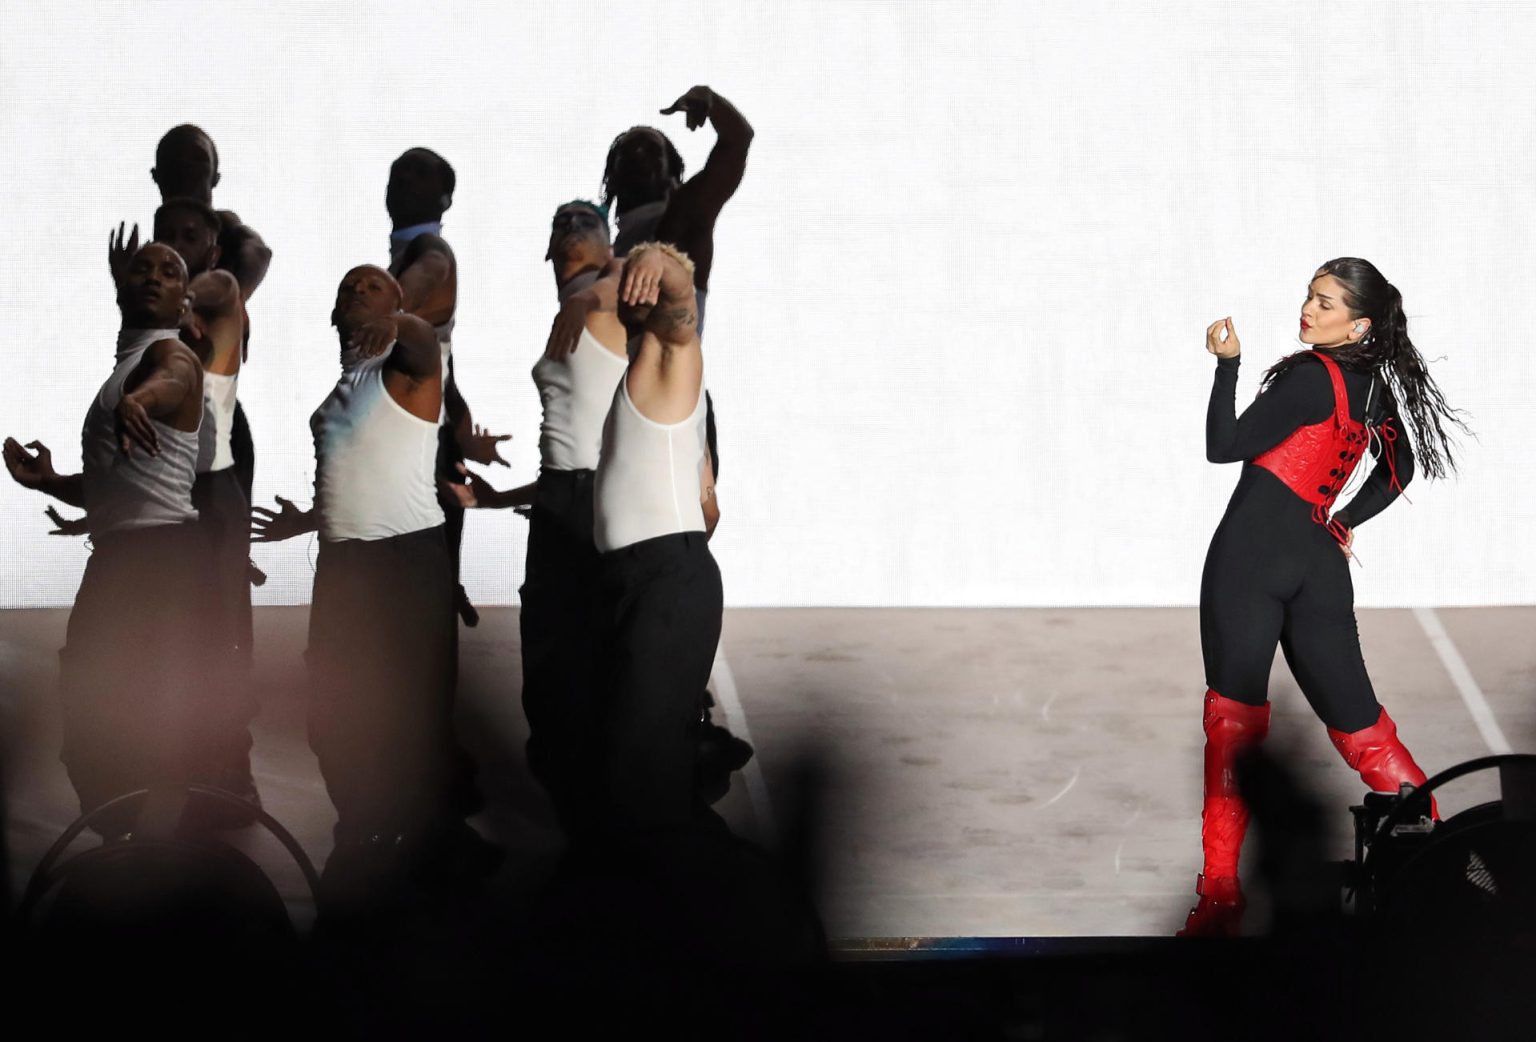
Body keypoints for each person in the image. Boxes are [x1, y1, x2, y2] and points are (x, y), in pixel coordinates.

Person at [1182, 257, 1468, 937]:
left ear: (1359, 323)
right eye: (1310, 297)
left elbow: (1223, 446)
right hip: (1318, 565)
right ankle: (1444, 864)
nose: (1309, 310)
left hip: (1248, 564)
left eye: (1326, 304)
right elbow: (1398, 469)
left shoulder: (1308, 379)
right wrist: (1343, 521)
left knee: (1234, 728)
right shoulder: (1373, 390)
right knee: (1364, 728)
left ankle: (1221, 900)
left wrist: (1228, 364)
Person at [250, 265, 490, 902]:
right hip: (344, 568)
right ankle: (367, 835)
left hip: (403, 565)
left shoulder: (409, 371)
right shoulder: (341, 391)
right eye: (346, 288)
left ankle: (411, 854)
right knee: (332, 714)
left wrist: (401, 323)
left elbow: (420, 339)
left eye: (373, 287)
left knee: (406, 716)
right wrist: (306, 519)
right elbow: (356, 468)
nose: (356, 292)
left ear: (399, 306)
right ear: (332, 316)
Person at [3, 243, 232, 834]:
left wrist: (141, 398)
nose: (154, 277)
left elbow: (174, 379)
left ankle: (157, 858)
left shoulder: (169, 354)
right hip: (124, 555)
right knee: (95, 708)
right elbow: (123, 487)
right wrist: (52, 482)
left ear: (185, 300)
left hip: (161, 562)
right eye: (142, 269)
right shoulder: (125, 366)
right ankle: (124, 847)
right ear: (120, 287)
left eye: (170, 272)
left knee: (143, 710)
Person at [591, 242, 721, 834]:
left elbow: (680, 308)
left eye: (629, 278)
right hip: (656, 579)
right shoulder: (653, 381)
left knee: (640, 771)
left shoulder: (674, 353)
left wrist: (659, 266)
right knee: (635, 762)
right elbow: (708, 505)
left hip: (664, 579)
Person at [385, 147, 509, 628]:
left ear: (445, 198)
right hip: (425, 439)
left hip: (416, 445)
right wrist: (460, 429)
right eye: (398, 175)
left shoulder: (429, 253)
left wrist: (383, 306)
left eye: (418, 176)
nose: (403, 183)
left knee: (412, 595)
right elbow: (443, 363)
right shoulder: (409, 252)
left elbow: (422, 282)